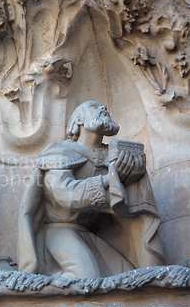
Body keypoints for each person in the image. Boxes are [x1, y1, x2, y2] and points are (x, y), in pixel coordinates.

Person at [18, 101, 165, 279]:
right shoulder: (59, 152)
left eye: (105, 107)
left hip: (90, 233)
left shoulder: (111, 156)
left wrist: (134, 176)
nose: (103, 109)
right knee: (85, 275)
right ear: (78, 119)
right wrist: (111, 178)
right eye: (94, 107)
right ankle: (42, 287)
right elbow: (67, 195)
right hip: (59, 231)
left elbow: (123, 204)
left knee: (131, 275)